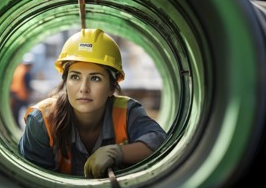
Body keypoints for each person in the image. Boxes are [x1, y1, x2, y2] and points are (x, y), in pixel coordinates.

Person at [18, 28, 167, 178]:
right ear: (65, 82)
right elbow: (31, 181)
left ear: (112, 87)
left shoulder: (126, 112)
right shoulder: (43, 120)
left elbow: (161, 142)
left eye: (95, 78)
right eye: (75, 77)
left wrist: (117, 153)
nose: (83, 89)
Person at [10, 53, 34, 129]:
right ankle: (24, 127)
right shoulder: (26, 72)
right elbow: (27, 85)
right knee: (28, 111)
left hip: (14, 93)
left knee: (15, 113)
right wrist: (30, 91)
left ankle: (16, 126)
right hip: (21, 96)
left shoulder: (17, 69)